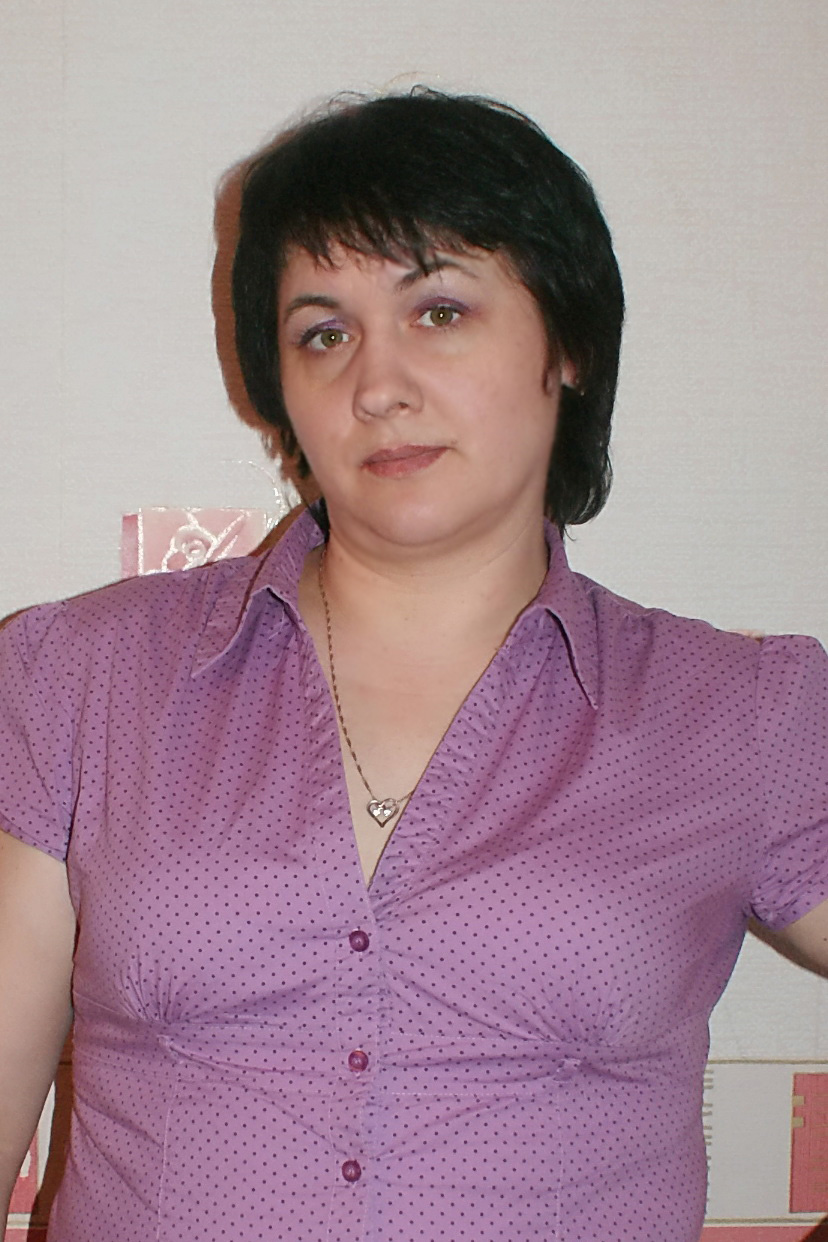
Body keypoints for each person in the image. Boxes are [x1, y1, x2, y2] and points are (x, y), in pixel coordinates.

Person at [1, 87, 826, 1242]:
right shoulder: (80, 679)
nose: (376, 385)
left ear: (570, 343)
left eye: (439, 310)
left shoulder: (741, 716)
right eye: (323, 332)